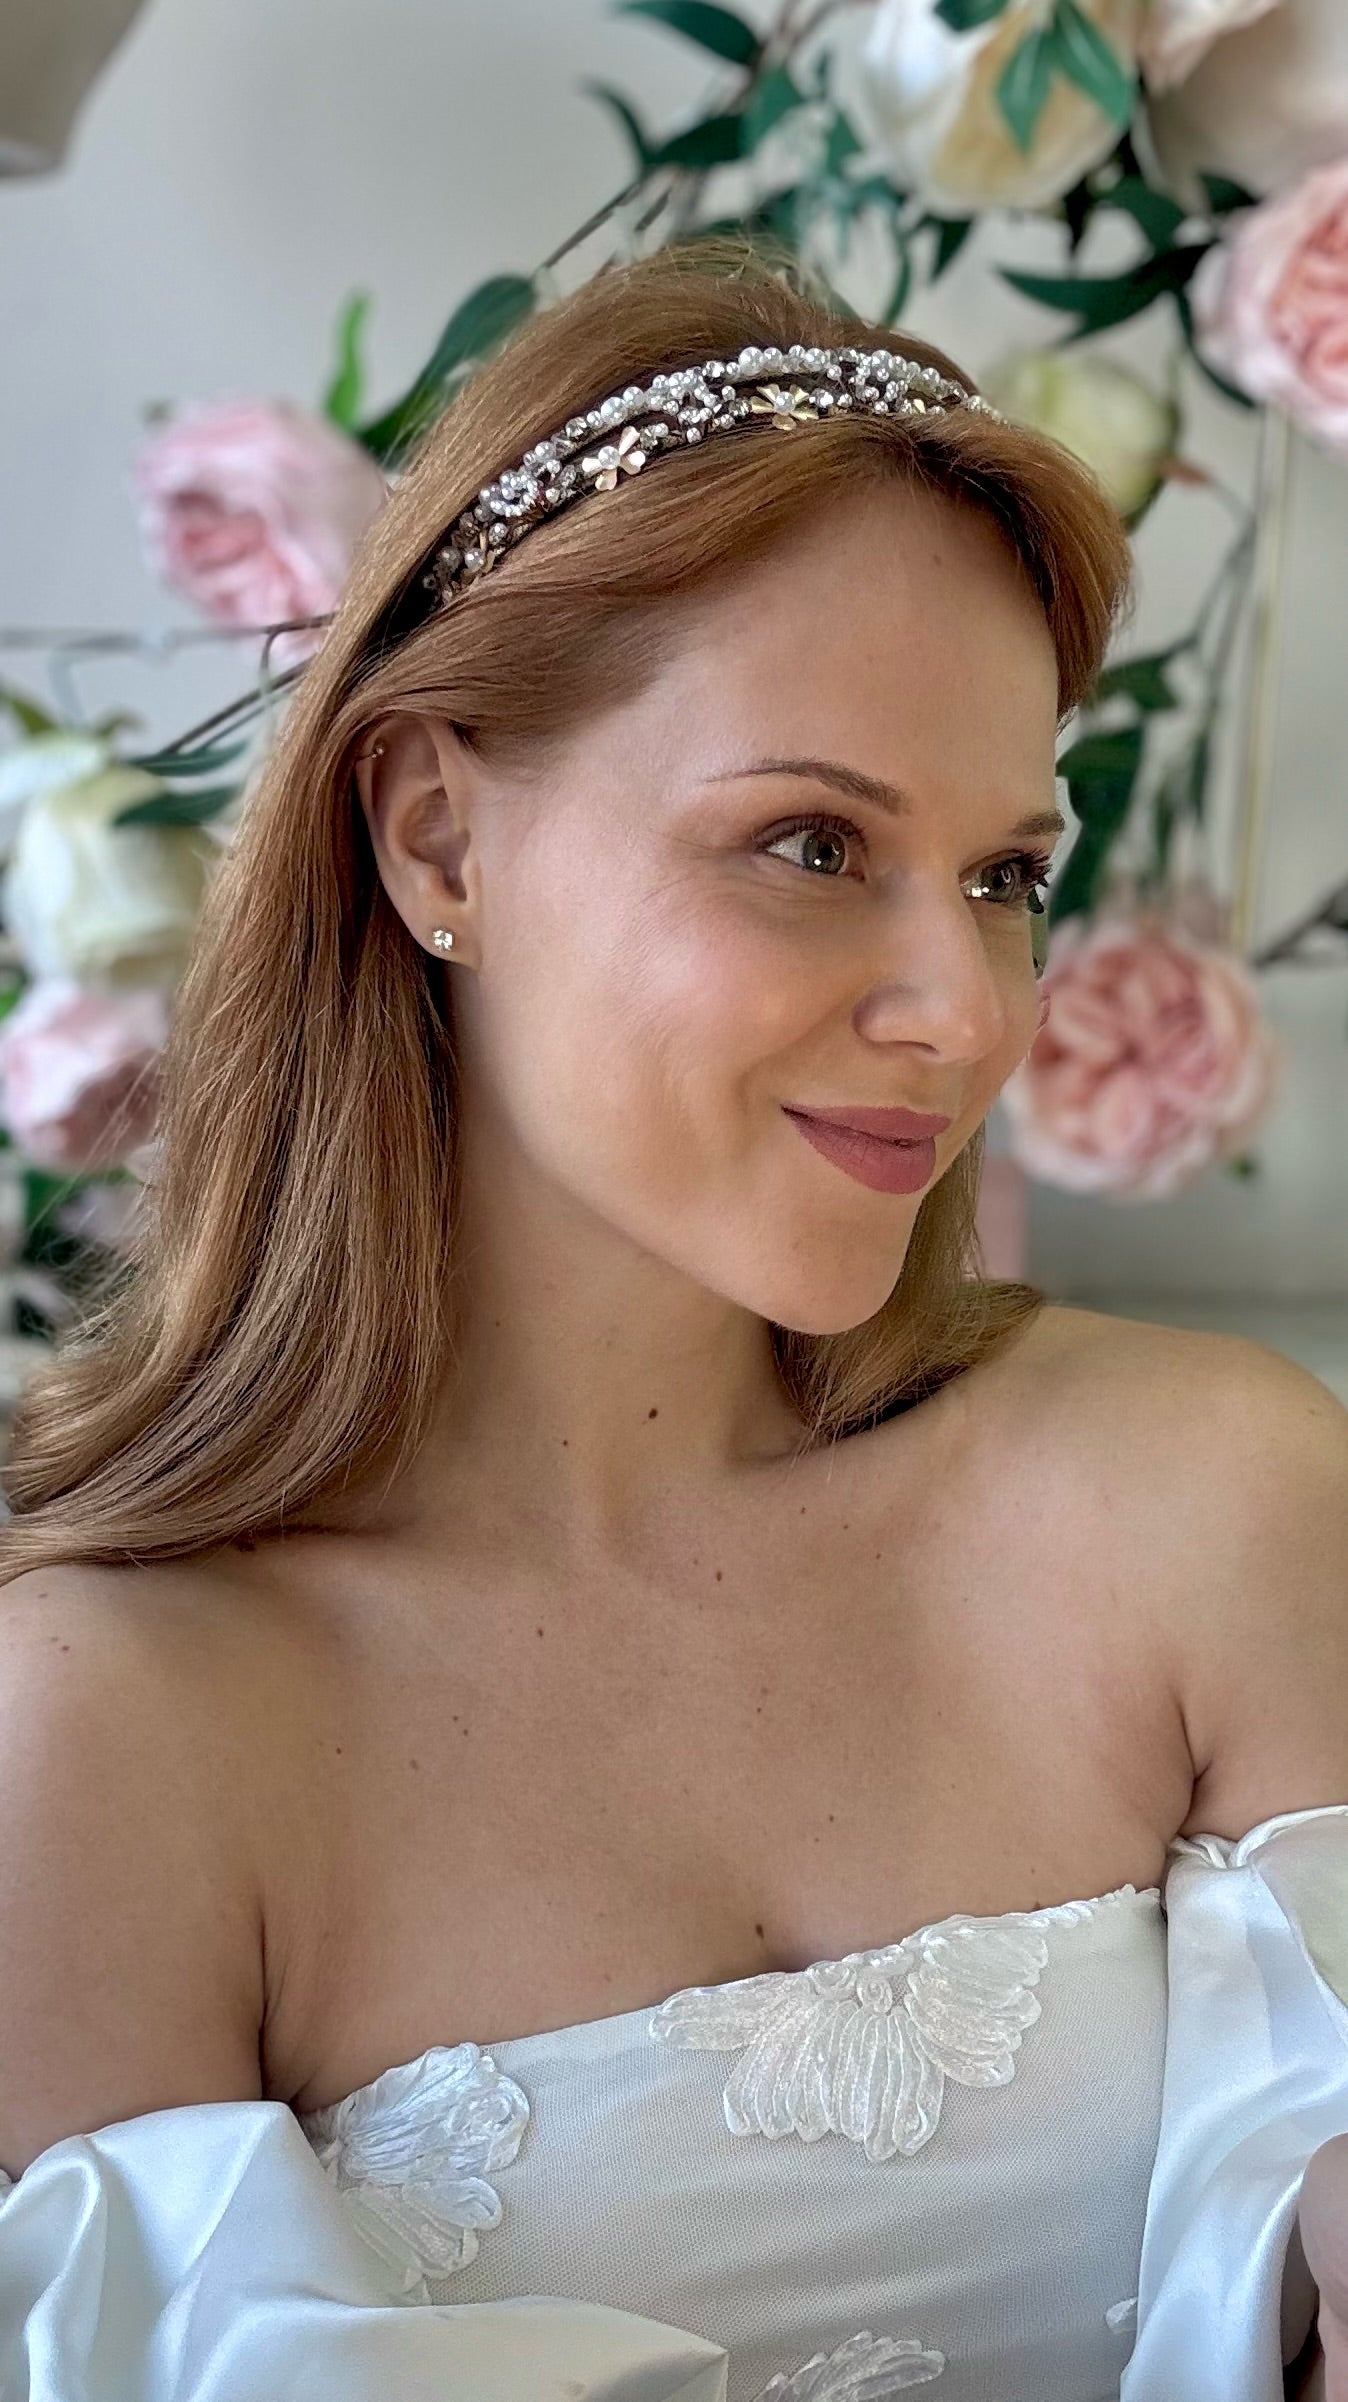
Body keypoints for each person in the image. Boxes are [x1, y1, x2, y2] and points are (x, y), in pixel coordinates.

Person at [0, 239, 1344, 2402]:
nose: (959, 1011)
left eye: (1006, 872)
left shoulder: (1207, 1505)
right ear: (436, 825)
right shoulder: (116, 1735)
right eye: (811, 843)